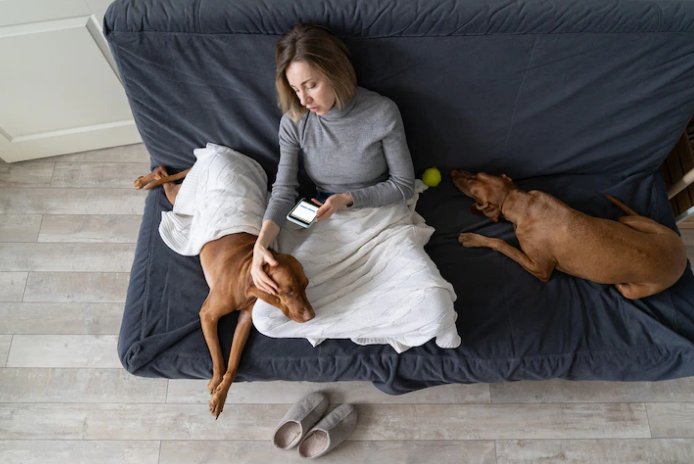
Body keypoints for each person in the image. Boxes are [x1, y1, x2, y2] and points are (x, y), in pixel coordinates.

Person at [251, 22, 415, 295]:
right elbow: (283, 191)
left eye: (311, 85)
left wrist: (346, 199)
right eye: (295, 89)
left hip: (379, 209)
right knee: (276, 306)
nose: (303, 99)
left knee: (424, 299)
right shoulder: (294, 121)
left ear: (335, 72)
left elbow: (403, 186)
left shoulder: (382, 112)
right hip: (321, 213)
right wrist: (261, 244)